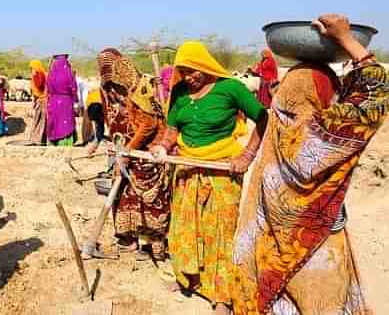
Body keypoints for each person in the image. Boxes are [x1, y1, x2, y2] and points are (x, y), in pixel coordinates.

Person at [232, 14, 389, 315]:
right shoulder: (323, 134)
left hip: (273, 241)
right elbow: (375, 96)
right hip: (317, 244)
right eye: (334, 92)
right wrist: (346, 40)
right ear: (323, 96)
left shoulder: (281, 127)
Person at [150, 41, 268, 315]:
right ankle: (187, 278)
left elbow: (265, 119)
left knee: (221, 232)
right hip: (187, 169)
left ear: (205, 66)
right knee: (185, 228)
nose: (189, 77)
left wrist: (247, 156)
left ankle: (222, 297)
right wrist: (162, 147)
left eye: (194, 71)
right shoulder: (178, 92)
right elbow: (171, 129)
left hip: (222, 170)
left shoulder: (231, 89)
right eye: (184, 71)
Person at [98, 49, 171, 260]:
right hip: (124, 150)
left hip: (146, 153)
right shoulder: (109, 89)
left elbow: (149, 123)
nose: (107, 74)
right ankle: (128, 240)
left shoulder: (137, 87)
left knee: (148, 199)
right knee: (123, 195)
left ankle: (151, 247)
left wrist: (129, 151)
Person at [46, 55, 78, 146]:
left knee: (55, 122)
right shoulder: (68, 72)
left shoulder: (51, 73)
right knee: (65, 124)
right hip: (65, 102)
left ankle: (53, 142)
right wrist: (75, 100)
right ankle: (65, 144)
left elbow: (48, 87)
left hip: (53, 101)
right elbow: (73, 88)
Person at [28, 60, 47, 145]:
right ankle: (37, 137)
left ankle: (38, 138)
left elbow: (38, 87)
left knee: (40, 120)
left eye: (33, 68)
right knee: (40, 120)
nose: (32, 70)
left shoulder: (39, 76)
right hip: (42, 100)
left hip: (42, 101)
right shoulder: (43, 75)